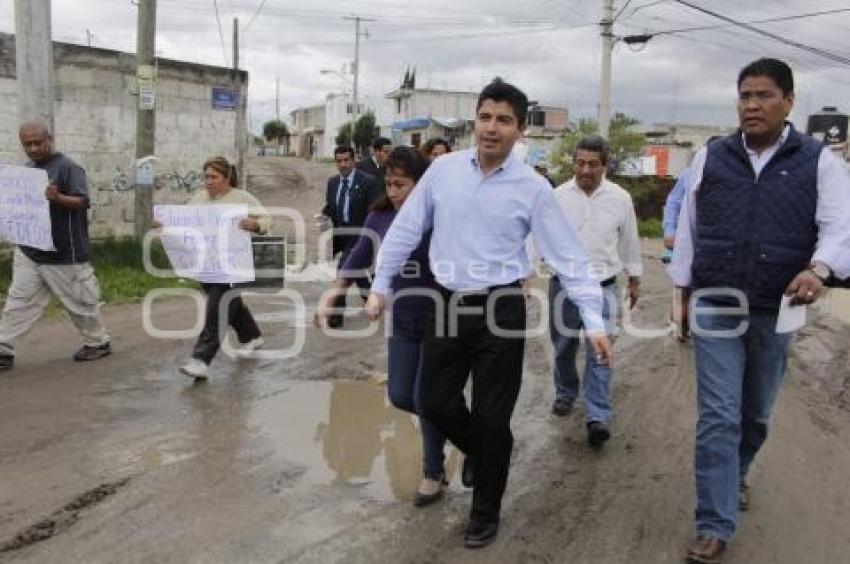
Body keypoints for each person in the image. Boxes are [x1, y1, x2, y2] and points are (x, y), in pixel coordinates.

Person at [366, 78, 613, 549]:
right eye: (484, 117)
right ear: (474, 121)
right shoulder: (443, 173)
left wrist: (594, 322)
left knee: (491, 415)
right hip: (447, 299)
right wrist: (381, 286)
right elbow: (404, 230)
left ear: (520, 130)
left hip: (501, 306)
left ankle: (485, 511)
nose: (491, 128)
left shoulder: (533, 188)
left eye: (503, 120)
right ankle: (485, 451)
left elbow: (568, 258)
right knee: (434, 402)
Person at [669, 58, 850, 563]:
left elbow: (842, 227)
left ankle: (736, 472)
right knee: (719, 415)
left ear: (789, 101)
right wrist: (681, 295)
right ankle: (714, 522)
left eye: (764, 95)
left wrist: (819, 268)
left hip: (779, 308)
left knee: (754, 415)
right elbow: (689, 229)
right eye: (745, 95)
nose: (751, 105)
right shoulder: (712, 156)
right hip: (715, 302)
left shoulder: (820, 162)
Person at [316, 146, 451, 506]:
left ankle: (433, 471)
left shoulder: (441, 218)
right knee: (401, 395)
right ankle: (460, 425)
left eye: (401, 185)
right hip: (403, 321)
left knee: (427, 397)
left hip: (442, 320)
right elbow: (359, 254)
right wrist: (334, 292)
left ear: (421, 185)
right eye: (389, 184)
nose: (392, 193)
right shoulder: (379, 217)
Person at [548, 135, 642, 446]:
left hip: (604, 287)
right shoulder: (557, 196)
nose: (585, 169)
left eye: (592, 164)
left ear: (604, 166)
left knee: (600, 352)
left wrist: (635, 277)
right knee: (563, 347)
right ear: (573, 163)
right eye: (580, 163)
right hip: (564, 287)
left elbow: (629, 240)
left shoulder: (620, 198)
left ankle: (597, 415)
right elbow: (541, 236)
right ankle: (565, 392)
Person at [0, 122, 111, 371]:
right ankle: (3, 350)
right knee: (19, 301)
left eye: (38, 142)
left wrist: (57, 197)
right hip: (30, 251)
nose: (33, 148)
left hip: (64, 253)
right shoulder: (27, 171)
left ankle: (98, 342)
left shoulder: (69, 168)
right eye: (27, 144)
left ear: (50, 139)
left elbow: (83, 202)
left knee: (79, 301)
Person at [174, 157, 270, 379]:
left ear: (227, 178)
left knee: (217, 309)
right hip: (207, 265)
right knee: (230, 303)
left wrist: (255, 225)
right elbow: (183, 220)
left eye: (214, 177)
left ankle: (200, 360)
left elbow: (266, 218)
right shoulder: (199, 198)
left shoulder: (241, 198)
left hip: (233, 265)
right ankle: (252, 336)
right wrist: (165, 224)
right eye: (206, 176)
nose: (208, 181)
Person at [321, 145, 383, 328]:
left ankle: (335, 315)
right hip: (342, 234)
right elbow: (331, 206)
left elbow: (376, 209)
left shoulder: (368, 181)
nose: (343, 164)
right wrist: (324, 216)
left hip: (361, 234)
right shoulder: (332, 182)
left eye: (346, 160)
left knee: (344, 270)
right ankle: (372, 300)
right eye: (339, 161)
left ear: (354, 160)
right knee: (358, 272)